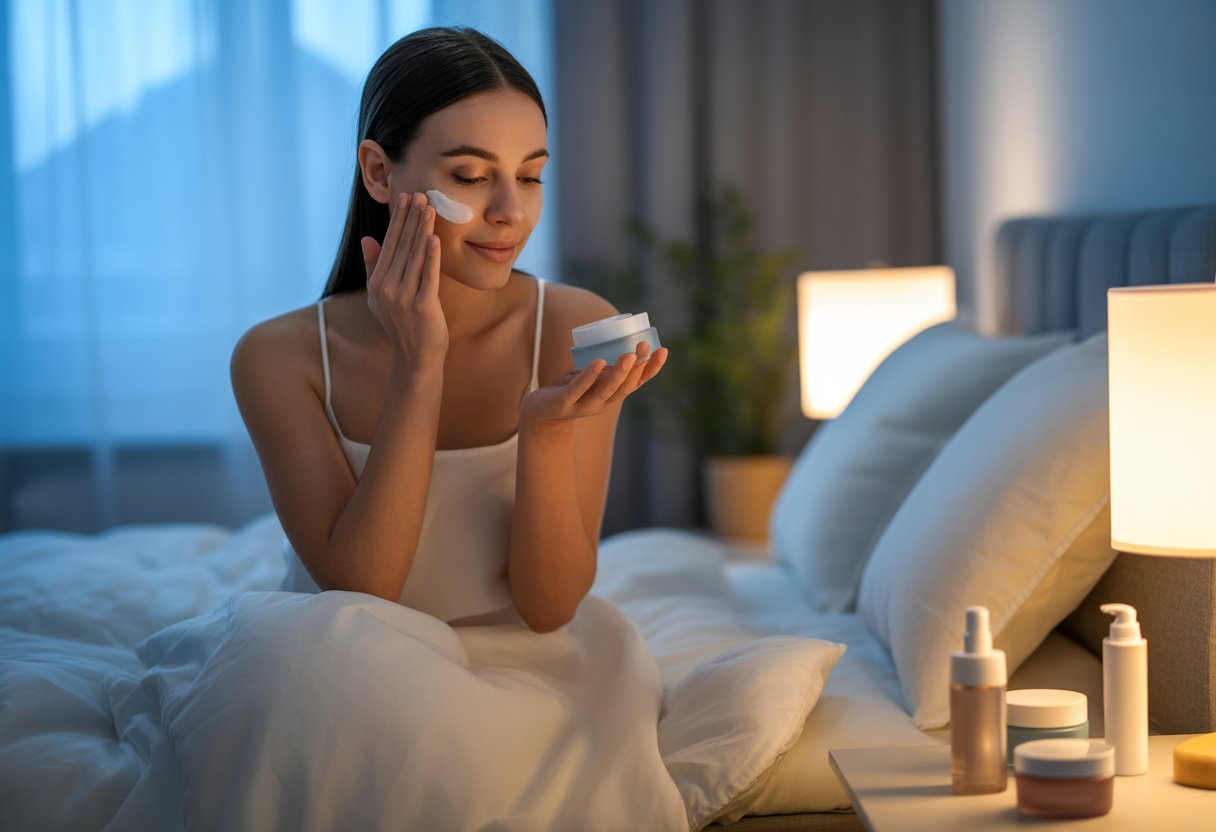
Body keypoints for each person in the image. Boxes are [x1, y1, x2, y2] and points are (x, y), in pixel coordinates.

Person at [230, 25, 667, 634]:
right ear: (379, 173)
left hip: (523, 670)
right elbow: (363, 594)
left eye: (531, 175)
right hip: (344, 661)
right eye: (470, 175)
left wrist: (544, 433)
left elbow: (550, 609)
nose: (511, 212)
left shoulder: (575, 328)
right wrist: (418, 363)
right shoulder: (278, 359)